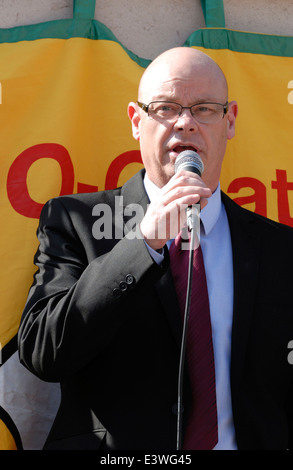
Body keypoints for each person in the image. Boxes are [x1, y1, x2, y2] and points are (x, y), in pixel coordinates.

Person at [18, 47, 293, 450]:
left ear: (229, 120)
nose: (185, 124)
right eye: (166, 108)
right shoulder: (76, 221)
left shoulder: (280, 247)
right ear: (136, 120)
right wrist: (141, 246)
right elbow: (44, 352)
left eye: (204, 109)